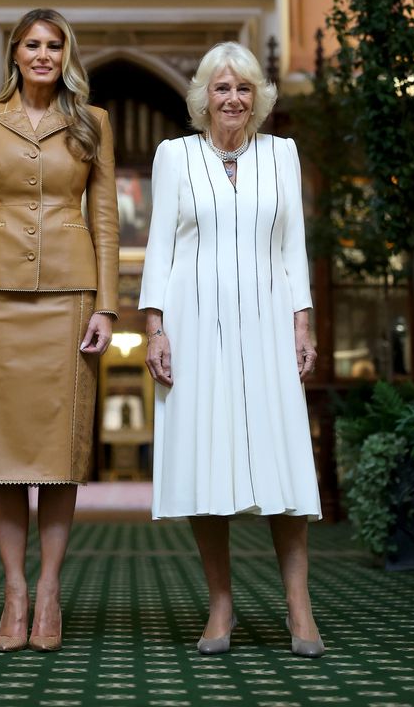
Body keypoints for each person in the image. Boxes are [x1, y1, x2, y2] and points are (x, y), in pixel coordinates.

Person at [139, 41, 324, 658]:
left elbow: (293, 245)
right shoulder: (174, 157)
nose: (234, 98)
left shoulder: (283, 155)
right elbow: (159, 246)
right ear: (203, 98)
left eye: (244, 88)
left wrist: (303, 323)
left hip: (270, 324)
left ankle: (299, 606)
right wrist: (155, 327)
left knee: (282, 458)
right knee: (203, 457)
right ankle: (222, 605)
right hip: (193, 325)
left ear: (259, 97)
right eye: (222, 88)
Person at [0, 9, 119, 653]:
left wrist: (107, 306)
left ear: (66, 54)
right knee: (2, 455)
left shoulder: (93, 121)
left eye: (54, 45)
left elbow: (106, 220)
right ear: (14, 54)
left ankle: (49, 590)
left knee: (60, 456)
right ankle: (13, 590)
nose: (43, 55)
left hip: (70, 297)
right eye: (32, 45)